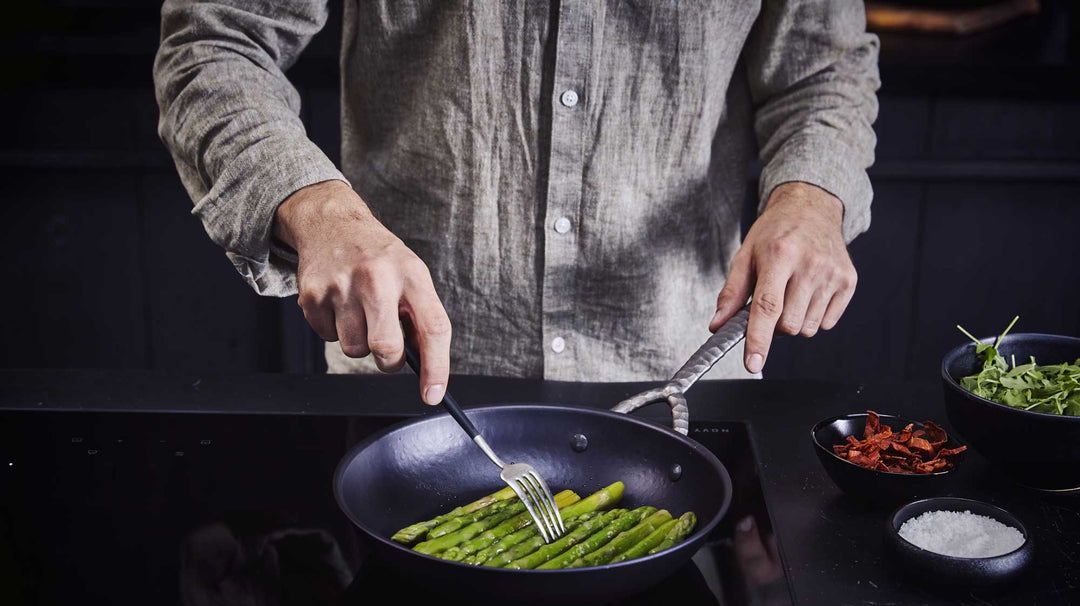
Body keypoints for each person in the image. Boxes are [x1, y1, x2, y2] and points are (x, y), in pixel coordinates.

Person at [154, 1, 879, 406]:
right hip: (402, 367)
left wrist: (811, 194)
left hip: (681, 371)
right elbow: (215, 41)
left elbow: (823, 67)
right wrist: (317, 211)